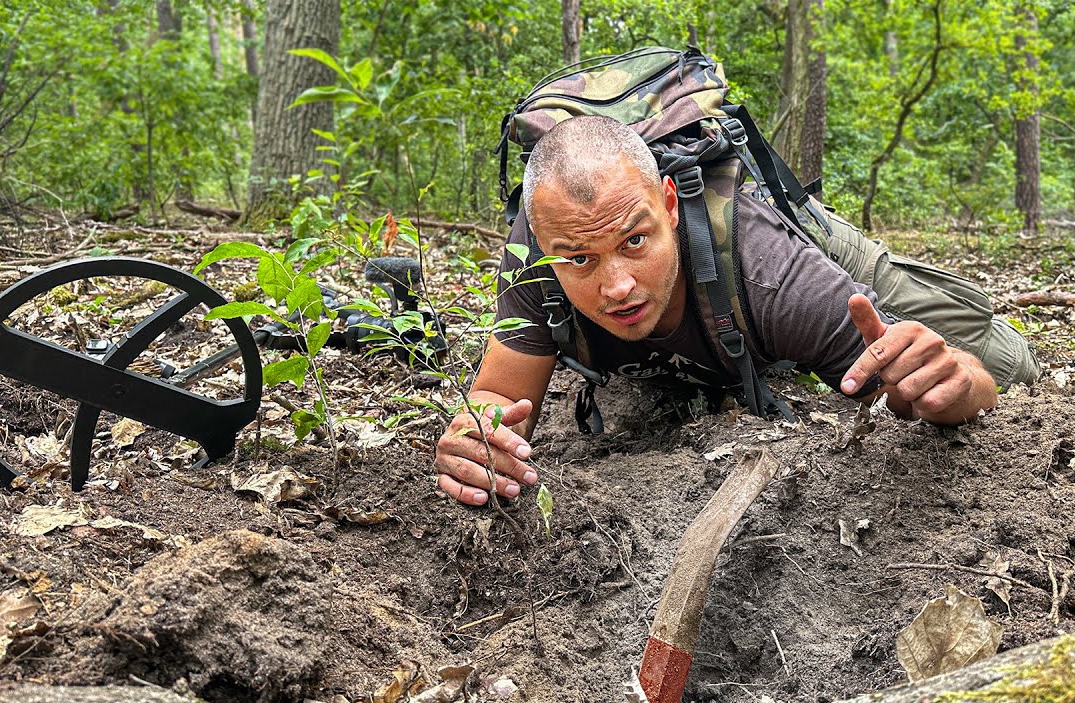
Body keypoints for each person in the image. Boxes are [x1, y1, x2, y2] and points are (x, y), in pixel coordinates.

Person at [434, 116, 1037, 506]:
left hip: (795, 249)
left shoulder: (772, 274)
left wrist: (958, 382)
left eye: (634, 241)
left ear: (668, 205)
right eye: (580, 260)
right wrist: (471, 440)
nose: (616, 286)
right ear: (543, 245)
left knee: (1004, 364)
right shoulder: (537, 262)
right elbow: (495, 400)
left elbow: (934, 390)